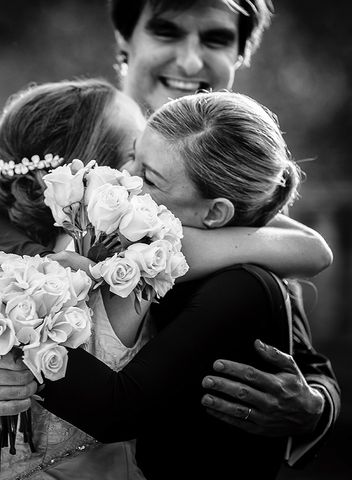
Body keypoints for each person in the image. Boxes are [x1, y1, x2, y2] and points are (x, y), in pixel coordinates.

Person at [0, 80, 331, 479]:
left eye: (145, 170)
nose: (133, 179)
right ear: (81, 168)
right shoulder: (1, 223)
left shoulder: (162, 237)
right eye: (130, 155)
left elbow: (311, 251)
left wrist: (317, 407)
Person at [106, 0, 339, 458]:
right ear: (124, 41)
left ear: (239, 55)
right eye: (167, 32)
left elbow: (304, 357)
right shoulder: (68, 135)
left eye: (215, 39)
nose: (192, 60)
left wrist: (313, 406)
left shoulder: (237, 176)